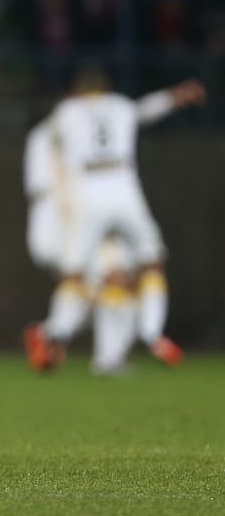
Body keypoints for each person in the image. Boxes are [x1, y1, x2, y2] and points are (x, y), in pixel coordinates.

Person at [23, 68, 206, 371]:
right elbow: (146, 110)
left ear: (79, 92)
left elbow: (46, 140)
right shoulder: (121, 106)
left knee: (79, 276)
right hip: (123, 189)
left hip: (85, 199)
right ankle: (150, 335)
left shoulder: (66, 113)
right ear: (106, 89)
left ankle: (53, 335)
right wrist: (176, 96)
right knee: (147, 264)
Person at [24, 114, 141, 374]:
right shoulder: (71, 128)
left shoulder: (39, 134)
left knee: (85, 286)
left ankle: (50, 334)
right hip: (67, 216)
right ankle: (107, 358)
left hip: (47, 222)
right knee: (117, 275)